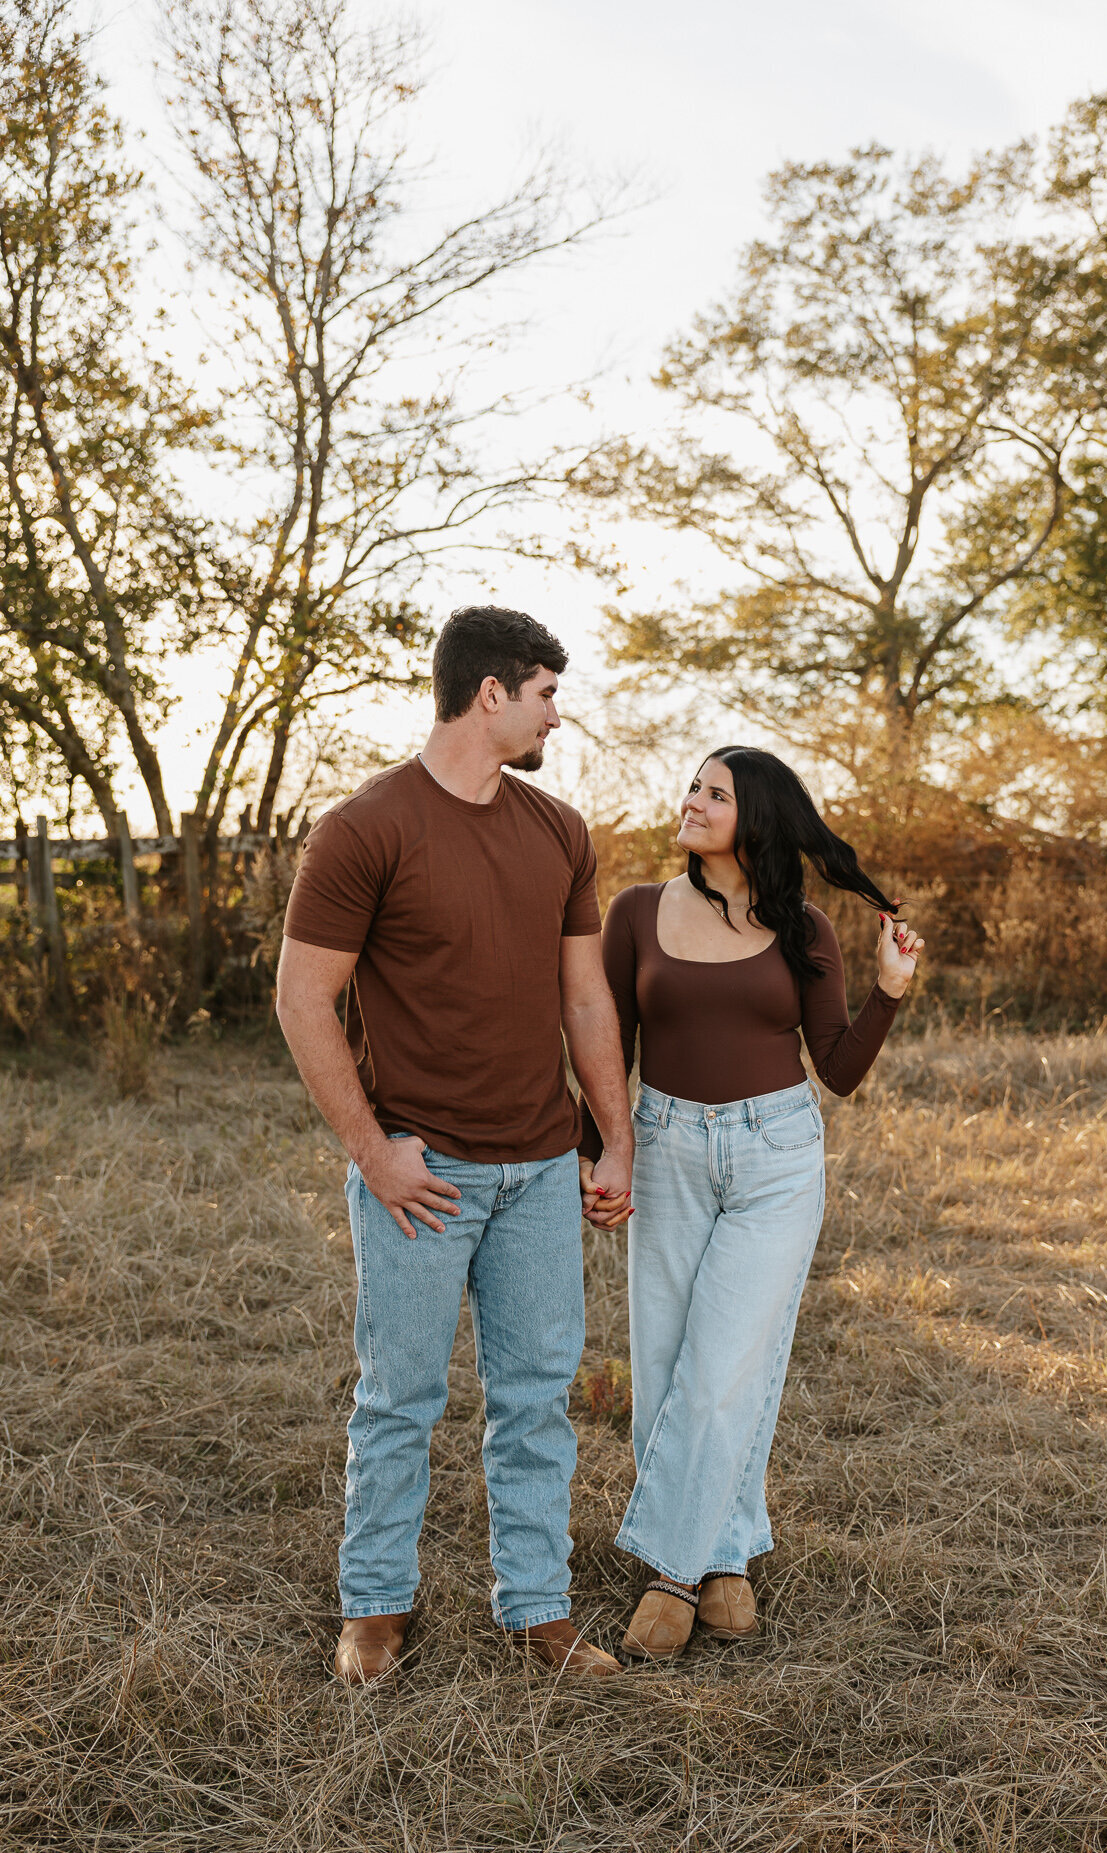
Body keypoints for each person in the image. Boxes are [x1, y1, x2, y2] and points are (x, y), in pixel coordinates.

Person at [276, 605, 633, 1685]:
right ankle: (375, 1604)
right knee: (399, 1397)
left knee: (536, 1396)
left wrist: (611, 1138)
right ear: (492, 692)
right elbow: (303, 999)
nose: (554, 717)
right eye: (544, 694)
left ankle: (536, 1608)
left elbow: (584, 994)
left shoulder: (560, 830)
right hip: (422, 1175)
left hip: (538, 1170)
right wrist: (374, 1152)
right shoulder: (365, 827)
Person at [579, 746, 923, 1659]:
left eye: (714, 793)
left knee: (726, 1360)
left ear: (755, 818)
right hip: (664, 1151)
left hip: (776, 1157)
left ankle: (671, 1574)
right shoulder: (638, 913)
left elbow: (838, 1071)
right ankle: (726, 1554)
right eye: (692, 786)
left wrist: (888, 994)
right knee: (665, 1363)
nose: (691, 802)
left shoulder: (803, 928)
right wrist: (599, 1150)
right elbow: (604, 1042)